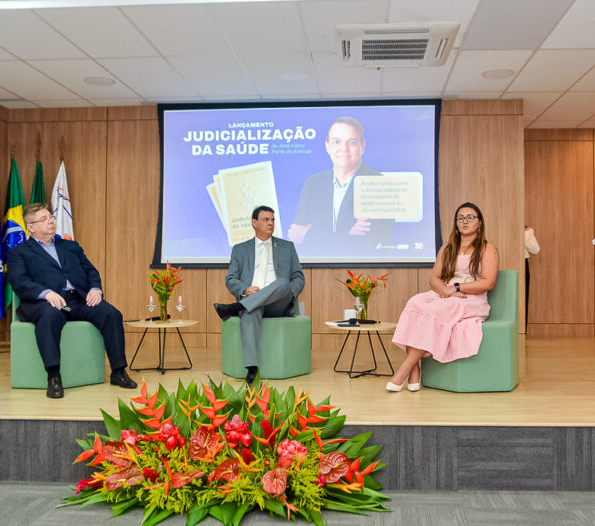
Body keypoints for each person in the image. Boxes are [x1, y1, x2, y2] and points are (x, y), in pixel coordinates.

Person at [7, 203, 137, 399]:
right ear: (31, 227)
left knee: (111, 314)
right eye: (44, 219)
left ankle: (118, 372)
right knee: (50, 316)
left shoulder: (70, 246)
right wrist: (45, 292)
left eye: (50, 217)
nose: (50, 221)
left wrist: (95, 289)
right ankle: (53, 377)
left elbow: (90, 270)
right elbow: (19, 281)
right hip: (43, 303)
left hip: (77, 299)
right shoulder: (19, 252)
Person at [386, 202, 499, 392]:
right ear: (456, 223)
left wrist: (455, 287)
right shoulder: (447, 247)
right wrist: (446, 291)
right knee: (414, 303)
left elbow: (488, 283)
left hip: (470, 298)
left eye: (470, 217)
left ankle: (405, 369)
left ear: (479, 223)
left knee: (434, 310)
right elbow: (435, 278)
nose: (465, 221)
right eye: (460, 218)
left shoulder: (487, 248)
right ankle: (415, 370)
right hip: (447, 294)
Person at [213, 205, 306, 384]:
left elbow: (298, 277)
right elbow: (231, 278)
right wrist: (245, 289)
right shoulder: (240, 249)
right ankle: (252, 368)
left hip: (279, 302)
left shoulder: (287, 247)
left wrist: (290, 292)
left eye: (272, 220)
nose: (270, 223)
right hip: (252, 300)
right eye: (266, 220)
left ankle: (236, 307)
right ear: (254, 223)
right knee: (250, 310)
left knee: (283, 283)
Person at [288, 116, 394, 254]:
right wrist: (346, 236)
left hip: (363, 272)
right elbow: (295, 236)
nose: (343, 148)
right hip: (316, 269)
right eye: (336, 142)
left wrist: (308, 235)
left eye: (352, 142)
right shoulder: (312, 184)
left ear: (362, 146)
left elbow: (366, 244)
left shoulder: (380, 186)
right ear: (327, 146)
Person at [524, 225, 540, 332]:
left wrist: (523, 236)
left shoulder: (528, 231)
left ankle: (522, 330)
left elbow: (536, 249)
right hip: (504, 261)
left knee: (523, 297)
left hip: (522, 262)